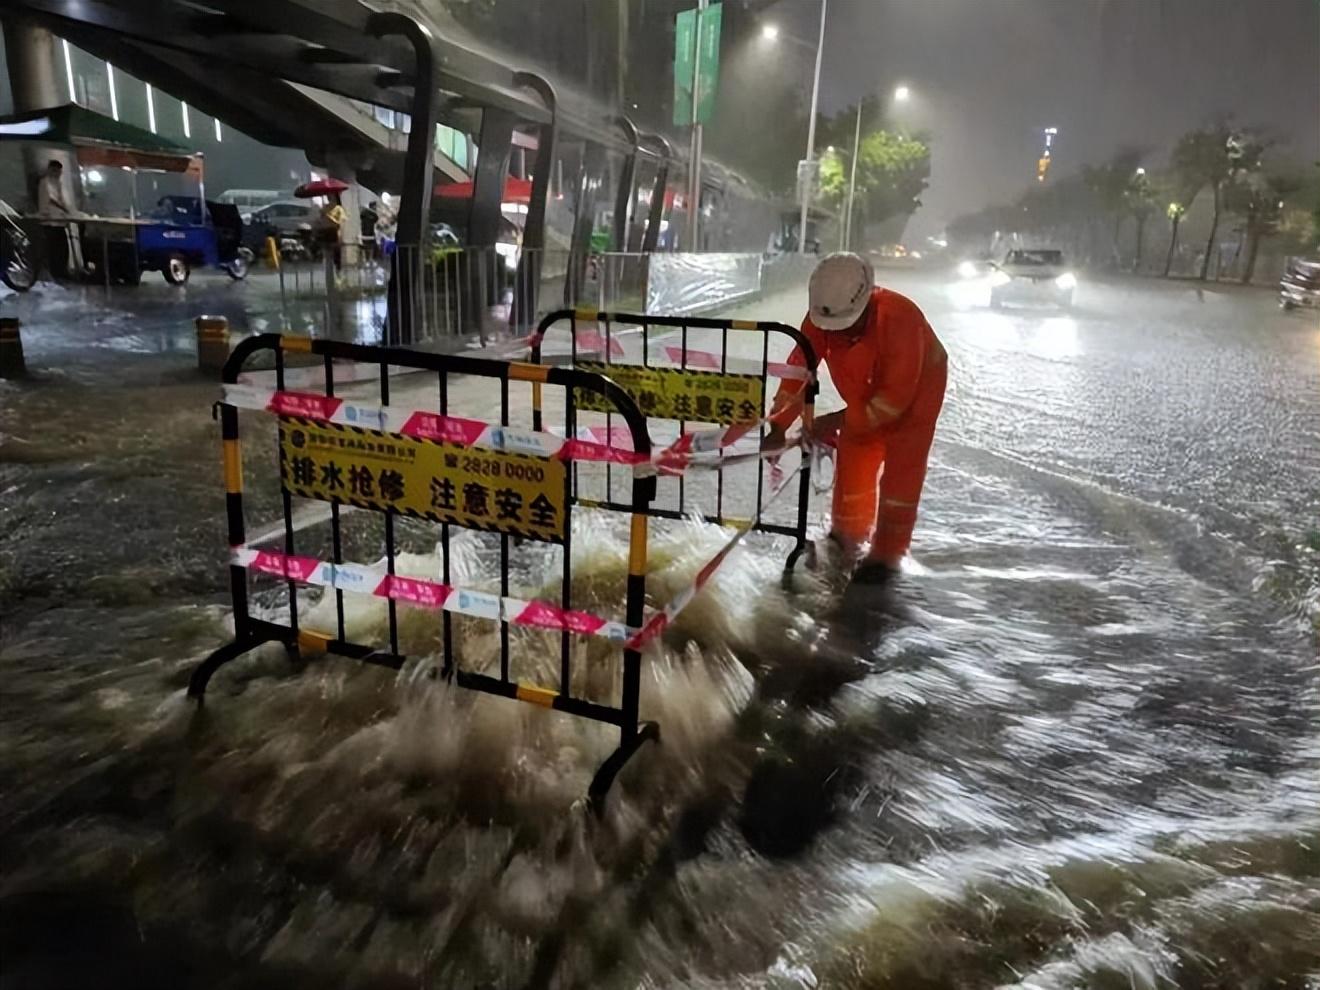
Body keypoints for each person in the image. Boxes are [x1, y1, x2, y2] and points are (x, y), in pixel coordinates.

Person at [764, 252, 947, 584]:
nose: (841, 333)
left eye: (849, 326)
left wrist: (834, 421)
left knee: (900, 483)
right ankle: (848, 539)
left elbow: (894, 402)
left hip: (916, 399)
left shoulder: (901, 319)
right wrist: (777, 423)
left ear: (866, 302)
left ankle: (887, 558)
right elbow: (798, 371)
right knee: (854, 463)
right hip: (862, 397)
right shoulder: (822, 316)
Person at [35, 159, 78, 279]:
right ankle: (56, 272)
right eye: (55, 170)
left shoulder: (58, 183)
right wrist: (65, 209)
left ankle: (62, 270)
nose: (57, 173)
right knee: (54, 248)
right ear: (50, 170)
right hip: (50, 220)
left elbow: (63, 199)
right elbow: (51, 199)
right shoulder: (45, 182)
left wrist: (68, 211)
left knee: (63, 248)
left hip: (59, 221)